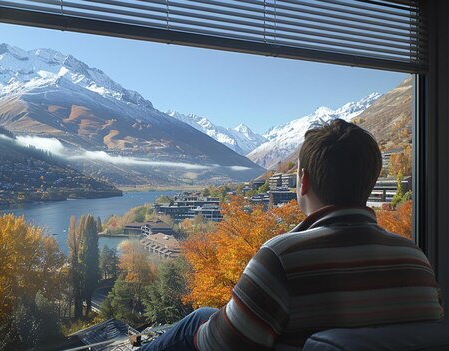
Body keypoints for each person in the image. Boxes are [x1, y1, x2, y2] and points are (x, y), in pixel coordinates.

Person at [140, 119, 443, 351]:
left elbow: (216, 346)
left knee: (197, 322)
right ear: (370, 181)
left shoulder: (282, 258)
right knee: (209, 313)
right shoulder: (415, 258)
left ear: (303, 181)